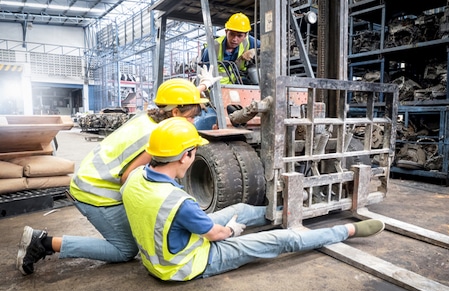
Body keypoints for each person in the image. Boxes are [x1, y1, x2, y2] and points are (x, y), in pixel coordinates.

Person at [121, 117, 385, 281]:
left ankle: (291, 211)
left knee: (240, 209)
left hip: (164, 252)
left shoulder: (133, 179)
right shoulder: (178, 201)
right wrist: (231, 231)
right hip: (187, 265)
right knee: (281, 240)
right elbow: (215, 234)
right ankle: (347, 230)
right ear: (185, 155)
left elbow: (179, 217)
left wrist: (230, 224)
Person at [16, 71, 221, 276]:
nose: (193, 122)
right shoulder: (155, 139)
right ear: (176, 113)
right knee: (126, 249)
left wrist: (203, 85)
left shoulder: (150, 116)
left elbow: (180, 101)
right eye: (192, 117)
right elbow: (129, 179)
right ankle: (43, 243)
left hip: (91, 177)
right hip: (95, 191)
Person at [201, 12, 260, 84]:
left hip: (240, 85)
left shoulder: (250, 42)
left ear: (245, 35)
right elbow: (204, 75)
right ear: (226, 32)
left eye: (239, 36)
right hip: (219, 89)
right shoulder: (213, 48)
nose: (234, 39)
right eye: (232, 34)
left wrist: (255, 51)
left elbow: (271, 49)